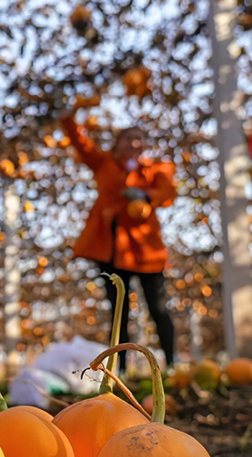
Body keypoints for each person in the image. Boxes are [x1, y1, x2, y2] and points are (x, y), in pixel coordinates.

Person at [62, 108, 177, 368]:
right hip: (111, 249)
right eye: (129, 138)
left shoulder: (156, 168)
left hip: (145, 250)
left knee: (158, 308)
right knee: (118, 312)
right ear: (118, 142)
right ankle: (120, 368)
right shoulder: (103, 163)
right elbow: (81, 144)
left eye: (139, 138)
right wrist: (67, 119)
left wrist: (145, 196)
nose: (135, 143)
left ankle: (170, 363)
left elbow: (168, 191)